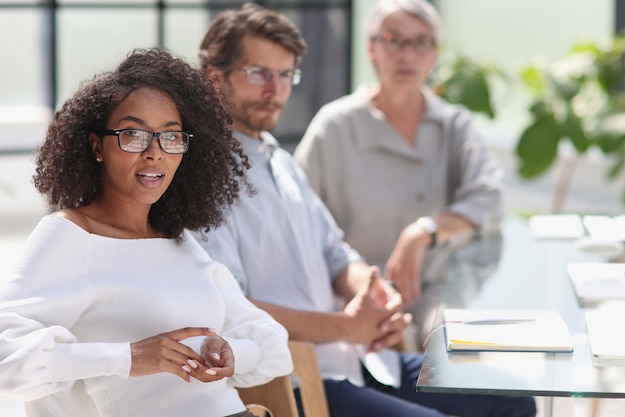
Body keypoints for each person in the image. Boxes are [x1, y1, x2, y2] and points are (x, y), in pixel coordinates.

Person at [195, 3, 535, 417]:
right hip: (301, 380)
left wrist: (377, 299)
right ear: (215, 77)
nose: (275, 90)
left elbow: (336, 255)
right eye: (258, 73)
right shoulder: (203, 179)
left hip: (361, 361)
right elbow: (236, 308)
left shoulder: (280, 161)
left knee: (513, 399)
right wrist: (347, 326)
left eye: (285, 75)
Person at [0, 48, 292, 417]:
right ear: (96, 146)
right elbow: (6, 359)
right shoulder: (71, 236)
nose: (155, 153)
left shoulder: (179, 241)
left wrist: (233, 352)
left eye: (171, 137)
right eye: (133, 134)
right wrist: (126, 357)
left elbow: (272, 344)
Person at [293, 0, 504, 347]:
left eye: (420, 42)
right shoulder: (335, 126)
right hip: (356, 298)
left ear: (434, 55)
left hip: (438, 294)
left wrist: (423, 232)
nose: (406, 55)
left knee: (456, 361)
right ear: (371, 48)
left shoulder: (454, 125)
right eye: (393, 39)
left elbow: (490, 196)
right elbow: (298, 219)